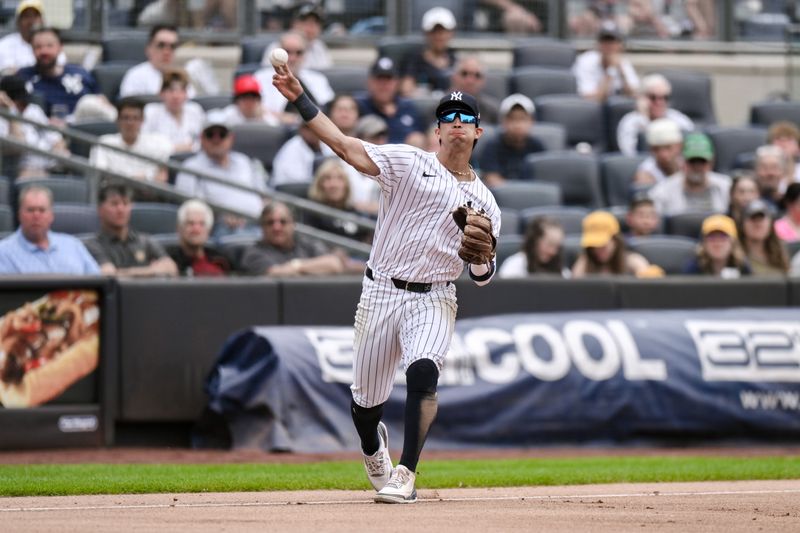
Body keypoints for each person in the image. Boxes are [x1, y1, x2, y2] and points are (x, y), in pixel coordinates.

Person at [273, 62, 501, 503]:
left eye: (466, 118)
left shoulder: (487, 203)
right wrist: (299, 97)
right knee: (364, 406)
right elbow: (341, 144)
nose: (457, 123)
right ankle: (371, 445)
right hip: (381, 290)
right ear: (438, 132)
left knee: (423, 373)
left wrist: (483, 254)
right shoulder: (408, 162)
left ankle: (406, 472)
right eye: (449, 118)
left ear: (478, 133)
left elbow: (482, 277)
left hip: (435, 296)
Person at [174, 111, 268, 237]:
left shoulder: (244, 161)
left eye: (222, 134)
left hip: (259, 223)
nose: (216, 139)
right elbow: (189, 208)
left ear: (231, 138)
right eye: (210, 134)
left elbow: (264, 196)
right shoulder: (191, 167)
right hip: (220, 228)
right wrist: (220, 215)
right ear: (202, 138)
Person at [0, 185, 99, 275]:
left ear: (51, 215)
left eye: (42, 210)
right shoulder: (3, 252)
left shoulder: (73, 245)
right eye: (30, 210)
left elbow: (98, 282)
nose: (36, 216)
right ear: (19, 215)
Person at [84, 183, 178, 277]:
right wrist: (153, 270)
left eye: (125, 203)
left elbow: (171, 268)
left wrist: (122, 272)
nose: (121, 209)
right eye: (114, 204)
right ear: (100, 210)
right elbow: (109, 276)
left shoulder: (145, 240)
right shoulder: (93, 245)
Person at [240, 202, 349, 276]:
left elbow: (334, 264)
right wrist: (312, 268)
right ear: (262, 227)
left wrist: (296, 266)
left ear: (293, 224)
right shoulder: (253, 253)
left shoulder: (305, 244)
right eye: (270, 223)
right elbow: (275, 274)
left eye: (283, 222)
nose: (277, 227)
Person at [254, 31, 334, 126]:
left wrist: (296, 120)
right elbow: (257, 110)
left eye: (299, 53)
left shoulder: (318, 79)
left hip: (313, 131)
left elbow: (330, 110)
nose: (292, 58)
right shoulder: (261, 77)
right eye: (287, 52)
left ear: (305, 54)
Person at [16, 27, 98, 119]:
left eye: (49, 46)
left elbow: (100, 100)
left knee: (89, 103)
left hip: (84, 125)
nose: (44, 51)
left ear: (60, 47)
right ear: (32, 49)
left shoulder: (79, 72)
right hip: (44, 128)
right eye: (38, 47)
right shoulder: (24, 76)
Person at [90, 97, 173, 185]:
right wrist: (144, 178)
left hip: (146, 194)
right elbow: (99, 175)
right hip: (114, 193)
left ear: (142, 120)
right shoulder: (104, 143)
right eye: (126, 118)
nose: (130, 123)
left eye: (135, 118)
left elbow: (162, 176)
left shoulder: (157, 144)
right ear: (118, 120)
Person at [0, 74, 68, 179]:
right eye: (20, 102)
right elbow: (18, 145)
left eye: (26, 101)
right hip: (21, 172)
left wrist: (60, 152)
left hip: (51, 167)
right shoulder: (4, 118)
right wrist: (11, 113)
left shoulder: (33, 110)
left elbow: (56, 138)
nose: (25, 106)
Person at [648, 132, 731, 216]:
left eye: (702, 162)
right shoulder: (662, 192)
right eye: (692, 161)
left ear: (711, 163)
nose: (697, 167)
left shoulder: (726, 188)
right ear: (682, 162)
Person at [355, 56, 426, 148]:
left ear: (397, 83)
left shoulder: (408, 108)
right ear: (370, 82)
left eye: (388, 79)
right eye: (379, 79)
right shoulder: (358, 107)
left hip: (405, 159)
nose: (384, 85)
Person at [616, 74, 693, 156]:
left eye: (665, 98)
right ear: (642, 98)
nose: (660, 102)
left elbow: (692, 138)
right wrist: (644, 117)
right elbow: (629, 155)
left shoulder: (675, 117)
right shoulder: (630, 122)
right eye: (653, 97)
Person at [478, 93, 545, 187]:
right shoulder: (492, 147)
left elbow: (543, 180)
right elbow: (492, 179)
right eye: (512, 119)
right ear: (503, 121)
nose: (518, 124)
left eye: (523, 118)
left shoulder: (538, 146)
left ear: (532, 121)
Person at [305, 158, 373, 243]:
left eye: (340, 178)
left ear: (346, 184)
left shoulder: (355, 212)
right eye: (327, 178)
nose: (334, 184)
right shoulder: (312, 212)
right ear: (320, 184)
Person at [119, 25, 196, 99]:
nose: (167, 51)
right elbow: (129, 109)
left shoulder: (181, 76)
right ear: (148, 49)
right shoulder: (135, 76)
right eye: (161, 45)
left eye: (172, 46)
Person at [572, 21, 639, 103]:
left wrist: (622, 72)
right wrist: (611, 70)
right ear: (598, 44)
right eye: (605, 41)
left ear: (620, 45)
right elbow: (594, 100)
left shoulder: (623, 62)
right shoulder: (585, 62)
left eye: (612, 41)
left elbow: (633, 96)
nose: (609, 46)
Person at [166, 199, 237, 276]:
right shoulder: (168, 261)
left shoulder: (222, 261)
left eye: (202, 224)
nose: (196, 229)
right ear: (179, 228)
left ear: (209, 230)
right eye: (190, 223)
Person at [142, 68, 205, 153]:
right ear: (161, 93)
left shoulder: (195, 110)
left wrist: (193, 147)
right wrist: (174, 148)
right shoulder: (150, 112)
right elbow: (143, 144)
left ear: (186, 94)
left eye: (181, 91)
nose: (176, 96)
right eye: (171, 90)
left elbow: (204, 140)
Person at [399, 7, 457, 97]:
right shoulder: (414, 59)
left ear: (451, 33)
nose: (438, 36)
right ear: (426, 33)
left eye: (443, 31)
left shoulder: (455, 58)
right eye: (434, 31)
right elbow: (406, 89)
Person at [572, 210, 650, 277]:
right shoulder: (585, 262)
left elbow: (648, 283)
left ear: (615, 240)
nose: (597, 250)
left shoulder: (631, 260)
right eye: (593, 246)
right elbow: (574, 285)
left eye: (603, 245)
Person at [0, 0, 65, 74]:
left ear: (42, 20)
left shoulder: (52, 43)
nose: (31, 21)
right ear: (18, 21)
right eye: (26, 16)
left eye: (35, 16)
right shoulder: (4, 45)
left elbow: (60, 70)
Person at [261, 3, 332, 71]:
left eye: (316, 22)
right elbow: (267, 78)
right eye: (306, 21)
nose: (311, 27)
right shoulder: (277, 47)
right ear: (294, 23)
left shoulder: (319, 47)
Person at [270, 121, 335, 188]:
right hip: (289, 192)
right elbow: (295, 182)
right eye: (309, 129)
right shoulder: (292, 148)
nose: (313, 132)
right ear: (301, 130)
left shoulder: (326, 145)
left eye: (317, 128)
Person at [683, 214, 751, 277]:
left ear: (732, 243)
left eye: (722, 238)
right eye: (712, 238)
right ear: (704, 243)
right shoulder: (693, 269)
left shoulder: (742, 268)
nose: (717, 243)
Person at [498, 216, 567, 278]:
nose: (553, 251)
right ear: (534, 241)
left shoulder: (560, 269)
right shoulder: (513, 265)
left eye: (557, 247)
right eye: (549, 244)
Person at [738, 199, 789, 276]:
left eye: (761, 218)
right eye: (753, 218)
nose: (758, 223)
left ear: (770, 223)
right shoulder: (736, 257)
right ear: (742, 224)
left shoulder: (781, 254)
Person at [448, 55, 500, 125]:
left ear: (483, 81)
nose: (470, 81)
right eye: (464, 74)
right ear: (454, 77)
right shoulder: (438, 107)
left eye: (477, 75)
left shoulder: (493, 110)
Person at [633, 118, 684, 186]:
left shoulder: (688, 165)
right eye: (656, 149)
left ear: (679, 146)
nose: (663, 154)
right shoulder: (645, 175)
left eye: (668, 147)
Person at [754, 144, 791, 210]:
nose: (770, 173)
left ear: (783, 171)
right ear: (756, 171)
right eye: (764, 168)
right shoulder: (746, 200)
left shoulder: (791, 201)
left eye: (774, 168)